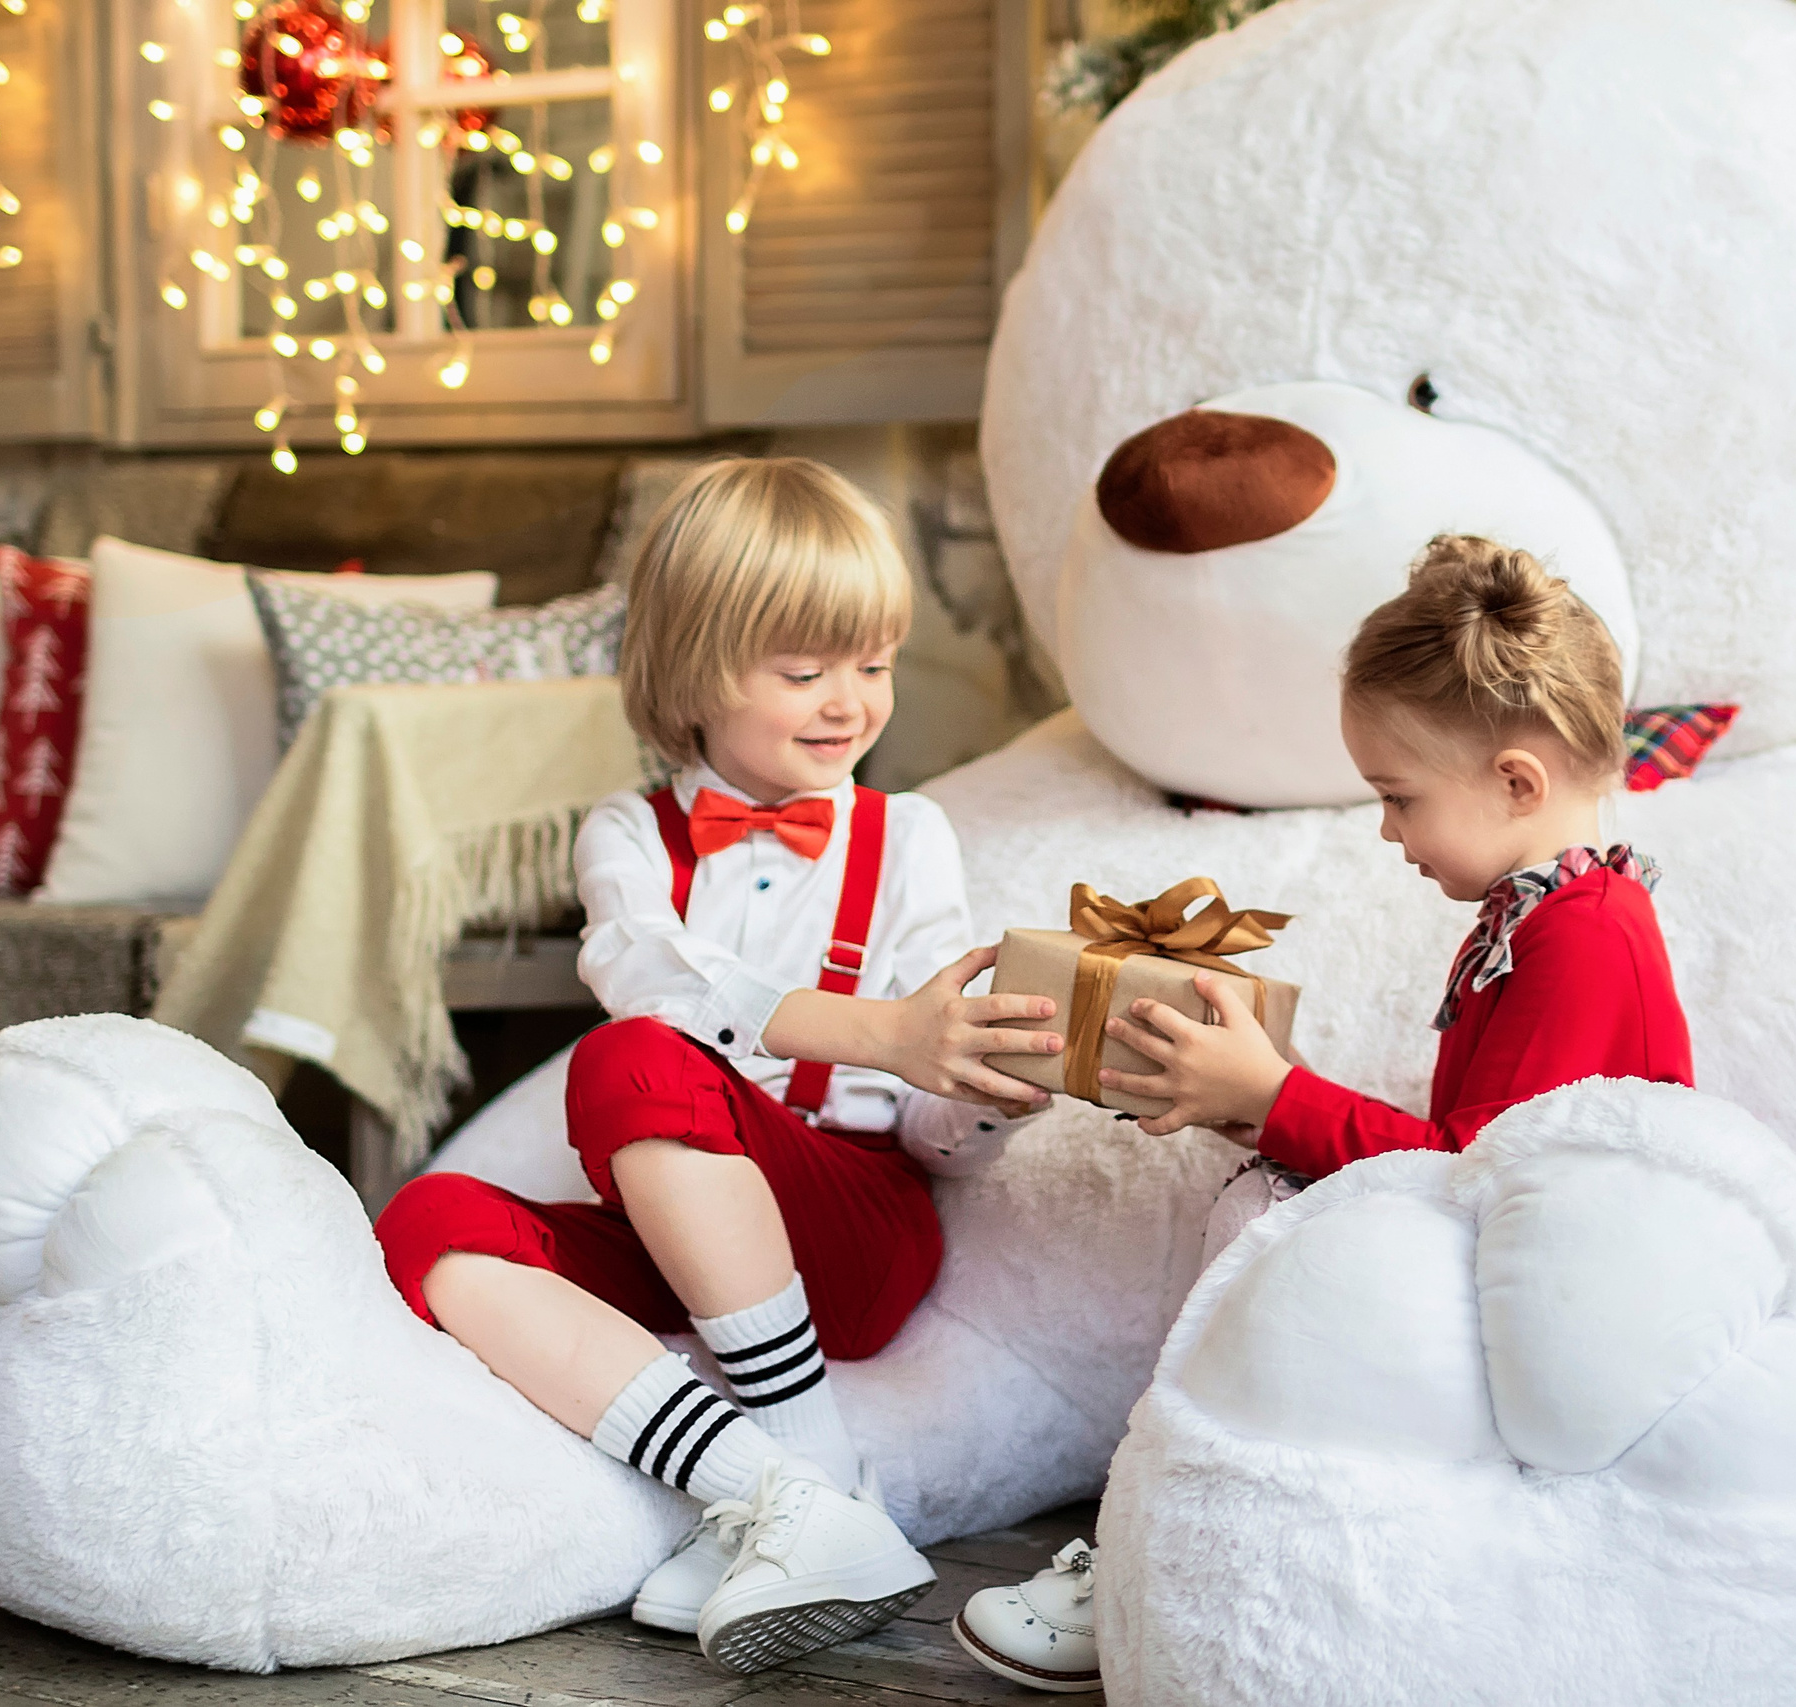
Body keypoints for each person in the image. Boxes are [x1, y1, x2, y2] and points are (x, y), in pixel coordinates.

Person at [949, 533, 1696, 1692]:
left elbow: (1480, 1176)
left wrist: (1277, 1101)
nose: (1388, 831)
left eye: (1399, 798)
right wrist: (1264, 1104)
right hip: (1518, 1292)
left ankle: (1157, 1558)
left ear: (1515, 782)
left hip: (1561, 1333)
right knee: (1261, 1198)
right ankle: (1170, 1544)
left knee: (1267, 1221)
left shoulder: (1583, 935)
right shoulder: (1545, 915)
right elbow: (1483, 1152)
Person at [373, 458, 1066, 1673]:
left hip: (854, 1223)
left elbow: (925, 1130)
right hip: (673, 1236)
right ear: (693, 673)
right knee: (425, 1223)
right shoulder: (628, 834)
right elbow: (650, 977)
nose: (848, 704)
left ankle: (810, 1466)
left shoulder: (907, 837)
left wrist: (982, 1094)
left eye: (874, 665)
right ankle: (775, 1495)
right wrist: (878, 1028)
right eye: (804, 673)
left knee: (629, 1064)